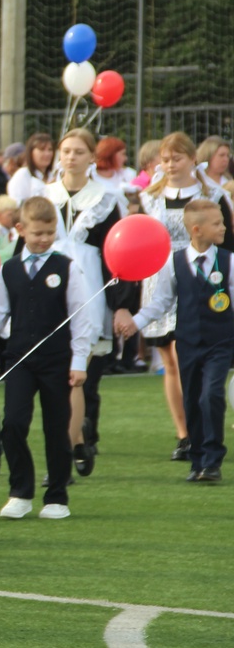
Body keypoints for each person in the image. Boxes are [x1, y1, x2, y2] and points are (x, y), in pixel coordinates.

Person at [0, 196, 94, 519]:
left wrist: (79, 361)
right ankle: (20, 491)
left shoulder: (66, 267)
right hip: (18, 359)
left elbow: (81, 316)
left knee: (56, 428)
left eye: (50, 232)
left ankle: (57, 495)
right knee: (13, 423)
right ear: (20, 230)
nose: (44, 239)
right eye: (37, 233)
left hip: (57, 359)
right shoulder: (9, 269)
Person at [139, 132, 234, 463]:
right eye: (165, 159)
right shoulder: (150, 197)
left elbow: (227, 236)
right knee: (170, 361)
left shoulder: (213, 193)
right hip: (162, 275)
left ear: (193, 160)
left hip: (202, 275)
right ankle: (183, 432)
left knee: (188, 358)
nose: (169, 164)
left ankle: (200, 431)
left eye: (176, 158)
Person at [121, 200, 232, 482]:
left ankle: (213, 459)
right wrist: (136, 322)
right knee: (192, 399)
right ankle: (197, 461)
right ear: (197, 230)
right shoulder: (174, 262)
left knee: (212, 395)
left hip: (221, 342)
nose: (224, 227)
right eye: (217, 223)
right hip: (188, 342)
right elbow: (161, 302)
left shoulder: (229, 260)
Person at [45, 128, 130, 477]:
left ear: (92, 157)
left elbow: (119, 257)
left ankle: (69, 446)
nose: (71, 157)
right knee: (55, 380)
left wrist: (121, 304)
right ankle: (75, 442)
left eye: (79, 151)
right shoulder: (45, 195)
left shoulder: (105, 199)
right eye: (66, 150)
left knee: (79, 378)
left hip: (91, 289)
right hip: (51, 288)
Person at [7, 133, 56, 202]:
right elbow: (17, 204)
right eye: (42, 149)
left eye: (50, 150)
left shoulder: (53, 176)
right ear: (31, 152)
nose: (47, 154)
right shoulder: (23, 175)